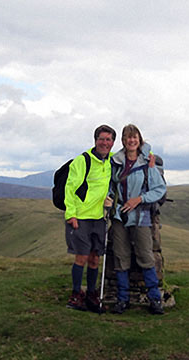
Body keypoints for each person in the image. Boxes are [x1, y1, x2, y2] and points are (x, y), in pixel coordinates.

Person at [108, 124, 167, 315]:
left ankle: (155, 299)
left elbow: (159, 189)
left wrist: (139, 199)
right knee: (121, 256)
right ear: (123, 141)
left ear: (139, 139)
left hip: (141, 215)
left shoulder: (147, 164)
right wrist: (109, 200)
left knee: (145, 256)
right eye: (127, 137)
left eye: (134, 137)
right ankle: (122, 299)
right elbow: (111, 186)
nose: (131, 140)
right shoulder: (116, 162)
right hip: (119, 215)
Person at [65, 124, 116, 312]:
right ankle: (76, 294)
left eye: (108, 140)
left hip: (99, 218)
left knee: (95, 258)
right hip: (81, 216)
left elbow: (136, 150)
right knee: (82, 257)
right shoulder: (82, 160)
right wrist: (71, 214)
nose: (105, 143)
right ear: (95, 140)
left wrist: (150, 158)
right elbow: (69, 188)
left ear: (112, 143)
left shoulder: (112, 160)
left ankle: (92, 294)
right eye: (101, 139)